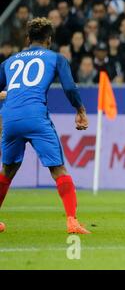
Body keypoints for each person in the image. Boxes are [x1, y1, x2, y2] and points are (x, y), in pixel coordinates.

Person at [0, 18, 90, 234]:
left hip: (10, 117)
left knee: (8, 170)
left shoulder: (9, 62)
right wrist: (80, 110)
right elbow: (69, 87)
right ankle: (72, 221)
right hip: (36, 117)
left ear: (27, 39)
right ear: (49, 40)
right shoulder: (56, 58)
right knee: (58, 169)